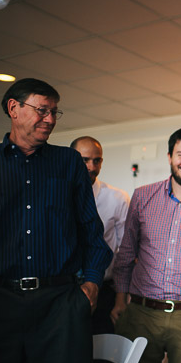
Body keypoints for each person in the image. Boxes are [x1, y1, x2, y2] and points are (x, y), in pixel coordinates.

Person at [0, 78, 112, 363]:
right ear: (13, 109)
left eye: (54, 112)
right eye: (41, 110)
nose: (49, 119)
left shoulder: (69, 163)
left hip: (59, 303)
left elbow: (91, 231)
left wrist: (92, 283)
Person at [112, 127, 181, 363]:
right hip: (142, 311)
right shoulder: (143, 197)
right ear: (169, 156)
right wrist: (120, 300)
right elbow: (126, 252)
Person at [71, 136, 130, 335]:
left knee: (103, 356)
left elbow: (125, 253)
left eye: (97, 161)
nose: (91, 166)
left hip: (104, 291)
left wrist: (121, 298)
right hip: (65, 289)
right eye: (85, 160)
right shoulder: (59, 197)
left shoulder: (117, 198)